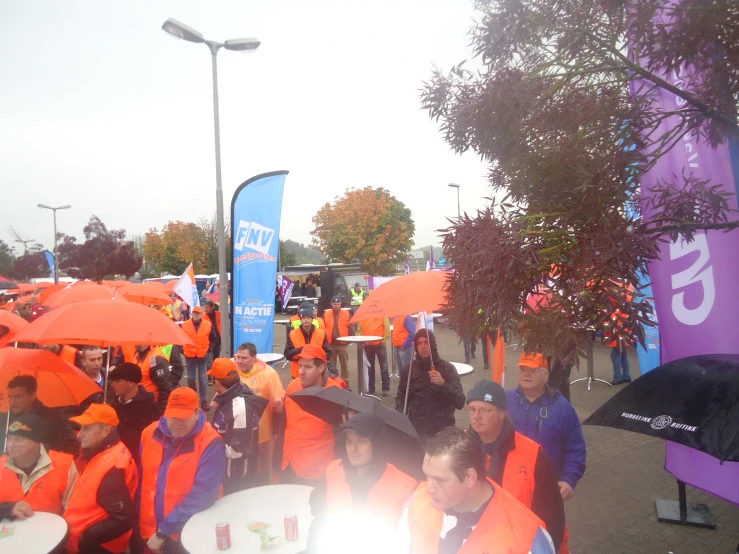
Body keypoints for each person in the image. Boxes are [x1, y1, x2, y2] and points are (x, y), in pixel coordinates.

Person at [397, 427, 555, 554]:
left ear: (469, 477)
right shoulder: (417, 501)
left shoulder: (525, 539)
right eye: (427, 476)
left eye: (440, 480)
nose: (429, 488)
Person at [466, 380, 565, 551]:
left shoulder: (533, 454)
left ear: (502, 413)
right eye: (472, 410)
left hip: (519, 545)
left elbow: (552, 514)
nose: (476, 416)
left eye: (484, 410)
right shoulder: (459, 448)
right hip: (472, 542)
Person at [306, 413, 419, 552]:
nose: (354, 449)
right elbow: (319, 519)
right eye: (349, 441)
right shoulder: (332, 472)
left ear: (377, 443)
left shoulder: (405, 486)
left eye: (361, 441)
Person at [139, 387, 226, 553]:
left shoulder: (211, 442)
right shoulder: (148, 433)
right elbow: (143, 481)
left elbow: (204, 495)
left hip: (188, 531)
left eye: (183, 417)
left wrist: (163, 531)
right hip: (150, 529)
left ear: (197, 413)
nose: (177, 423)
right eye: (173, 417)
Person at [506, 353, 586, 503]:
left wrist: (569, 480)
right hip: (509, 485)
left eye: (534, 370)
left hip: (547, 488)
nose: (527, 374)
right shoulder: (505, 401)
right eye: (523, 369)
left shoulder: (563, 408)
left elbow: (575, 448)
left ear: (545, 375)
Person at [64, 404, 138, 554]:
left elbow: (122, 520)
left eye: (87, 428)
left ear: (106, 430)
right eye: (81, 427)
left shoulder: (113, 467)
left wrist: (86, 538)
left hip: (96, 547)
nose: (79, 435)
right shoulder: (104, 452)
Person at [281, 344, 340, 486]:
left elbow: (342, 436)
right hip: (290, 462)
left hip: (318, 470)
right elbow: (285, 422)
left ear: (321, 368)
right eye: (300, 366)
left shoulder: (336, 394)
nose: (301, 371)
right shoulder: (292, 386)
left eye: (308, 367)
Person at [208, 358, 268, 493]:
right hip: (235, 470)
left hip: (236, 475)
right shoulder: (234, 394)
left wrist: (211, 448)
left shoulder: (238, 408)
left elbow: (237, 450)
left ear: (217, 383)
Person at [396, 330, 465, 439]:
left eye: (426, 342)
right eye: (419, 343)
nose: (423, 347)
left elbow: (460, 402)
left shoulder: (447, 369)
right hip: (416, 430)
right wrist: (400, 415)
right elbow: (401, 396)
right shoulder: (409, 370)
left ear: (432, 344)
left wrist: (443, 384)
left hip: (442, 430)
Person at [0, 415, 73, 514]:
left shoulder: (65, 465)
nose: (11, 445)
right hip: (7, 528)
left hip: (51, 528)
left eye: (19, 440)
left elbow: (73, 508)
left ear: (37, 442)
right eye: (9, 439)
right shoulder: (1, 465)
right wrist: (8, 509)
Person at [234, 342, 285, 485]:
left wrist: (276, 427)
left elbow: (278, 404)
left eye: (244, 358)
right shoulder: (233, 372)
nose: (239, 361)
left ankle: (262, 485)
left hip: (263, 430)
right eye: (238, 357)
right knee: (241, 460)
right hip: (239, 429)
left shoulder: (268, 374)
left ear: (254, 358)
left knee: (263, 462)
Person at [1, 375, 79, 455]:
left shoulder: (53, 416)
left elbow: (71, 446)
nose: (12, 402)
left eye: (19, 397)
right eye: (10, 397)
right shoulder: (5, 419)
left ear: (33, 395)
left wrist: (38, 450)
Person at [108, 363, 160, 465]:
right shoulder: (112, 403)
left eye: (117, 381)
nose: (112, 384)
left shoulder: (150, 407)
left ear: (131, 382)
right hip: (113, 459)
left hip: (136, 462)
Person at [181, 306, 218, 411]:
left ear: (201, 315)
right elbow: (180, 338)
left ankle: (204, 401)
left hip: (202, 356)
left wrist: (209, 350)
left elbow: (214, 339)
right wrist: (182, 349)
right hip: (189, 355)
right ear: (191, 314)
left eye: (197, 313)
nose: (195, 315)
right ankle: (193, 400)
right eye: (194, 313)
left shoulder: (208, 325)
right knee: (190, 379)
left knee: (203, 379)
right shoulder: (185, 325)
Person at [284, 304, 331, 379]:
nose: (306, 320)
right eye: (304, 318)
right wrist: (303, 350)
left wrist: (317, 358)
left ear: (312, 319)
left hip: (316, 373)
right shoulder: (293, 334)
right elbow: (287, 354)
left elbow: (328, 353)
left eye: (308, 318)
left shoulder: (321, 334)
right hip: (298, 373)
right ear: (301, 320)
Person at [133, 344, 173, 415]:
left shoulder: (157, 359)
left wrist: (160, 412)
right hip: (139, 404)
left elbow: (165, 389)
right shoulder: (138, 354)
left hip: (151, 407)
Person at [359, 316, 391, 396]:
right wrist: (361, 340)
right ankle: (371, 389)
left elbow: (387, 330)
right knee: (370, 367)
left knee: (384, 367)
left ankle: (386, 388)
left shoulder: (383, 315)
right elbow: (360, 330)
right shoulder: (363, 316)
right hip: (368, 345)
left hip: (380, 345)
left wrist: (383, 341)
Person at [203, 300, 222, 364]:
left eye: (207, 307)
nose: (206, 309)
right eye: (205, 308)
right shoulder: (204, 316)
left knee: (216, 359)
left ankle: (215, 372)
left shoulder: (219, 314)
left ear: (212, 307)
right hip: (209, 341)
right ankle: (209, 373)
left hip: (218, 340)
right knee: (209, 361)